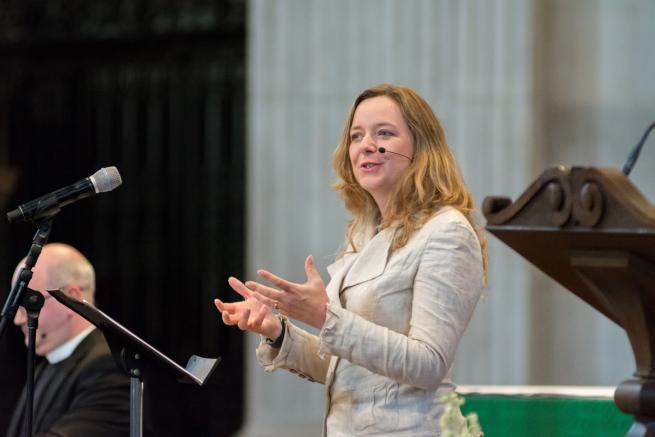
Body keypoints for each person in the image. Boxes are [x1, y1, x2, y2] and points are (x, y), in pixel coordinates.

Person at [214, 84, 487, 436]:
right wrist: (278, 332)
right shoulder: (365, 235)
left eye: (384, 133)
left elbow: (428, 364)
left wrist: (324, 316)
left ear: (422, 148)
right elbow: (350, 366)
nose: (367, 145)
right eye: (357, 136)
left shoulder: (447, 232)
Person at [7, 243, 130, 437]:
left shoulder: (110, 366)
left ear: (70, 299)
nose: (18, 319)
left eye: (28, 304)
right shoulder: (49, 361)